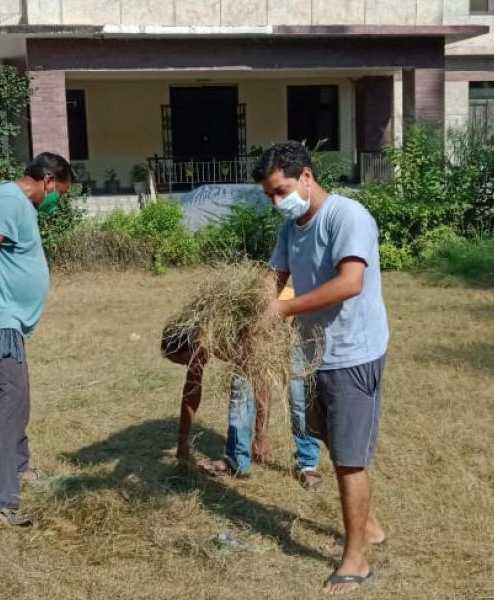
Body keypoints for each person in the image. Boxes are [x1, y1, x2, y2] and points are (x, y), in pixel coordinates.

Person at [254, 142, 389, 595]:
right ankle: (369, 526)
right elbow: (274, 279)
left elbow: (350, 282)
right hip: (315, 353)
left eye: (282, 190)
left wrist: (283, 311)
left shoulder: (348, 217)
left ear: (306, 177)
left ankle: (356, 561)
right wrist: (251, 311)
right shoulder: (293, 226)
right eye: (270, 196)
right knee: (330, 441)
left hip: (353, 353)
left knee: (350, 461)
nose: (278, 202)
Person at [0, 152, 72, 526]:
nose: (57, 201)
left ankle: (16, 469)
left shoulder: (19, 204)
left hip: (9, 323)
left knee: (17, 400)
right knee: (7, 406)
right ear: (49, 180)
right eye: (60, 193)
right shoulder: (9, 200)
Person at [161, 294, 322, 488]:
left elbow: (260, 383)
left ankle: (308, 464)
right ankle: (236, 460)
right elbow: (191, 392)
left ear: (194, 343)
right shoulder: (201, 334)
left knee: (297, 395)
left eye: (187, 361)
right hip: (259, 331)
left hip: (295, 317)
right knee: (239, 393)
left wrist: (261, 434)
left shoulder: (235, 331)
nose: (191, 366)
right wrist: (182, 441)